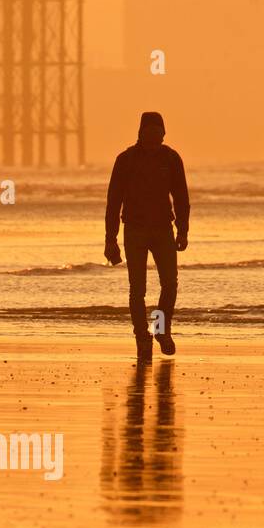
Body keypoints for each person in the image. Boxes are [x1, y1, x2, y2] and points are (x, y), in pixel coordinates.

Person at [105, 111, 190, 360]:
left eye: (159, 131)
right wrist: (110, 239)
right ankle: (142, 337)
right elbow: (113, 202)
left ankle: (161, 330)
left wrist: (183, 230)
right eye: (150, 131)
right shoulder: (126, 160)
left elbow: (182, 198)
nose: (155, 136)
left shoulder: (171, 158)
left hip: (164, 229)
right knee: (137, 289)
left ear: (164, 133)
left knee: (170, 284)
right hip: (134, 230)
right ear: (141, 132)